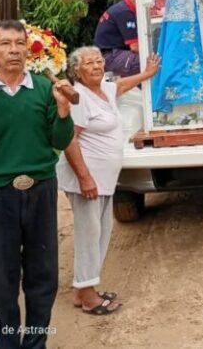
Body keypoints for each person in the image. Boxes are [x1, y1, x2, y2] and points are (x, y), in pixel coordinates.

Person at [0, 19, 75, 349]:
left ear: (28, 48)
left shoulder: (42, 88)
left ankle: (35, 344)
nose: (13, 50)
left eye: (19, 43)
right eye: (5, 44)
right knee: (4, 280)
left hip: (40, 188)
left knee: (43, 275)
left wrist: (63, 111)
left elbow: (59, 139)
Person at [57, 47, 160, 315]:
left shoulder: (104, 88)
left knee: (100, 233)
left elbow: (121, 86)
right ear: (76, 71)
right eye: (88, 63)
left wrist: (147, 73)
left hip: (102, 179)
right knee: (90, 236)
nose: (96, 66)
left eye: (98, 61)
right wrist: (85, 178)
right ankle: (89, 296)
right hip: (87, 179)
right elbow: (70, 140)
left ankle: (83, 290)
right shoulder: (79, 98)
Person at [94, 0, 140, 77]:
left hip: (111, 54)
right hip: (110, 56)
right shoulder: (125, 12)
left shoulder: (122, 8)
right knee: (150, 62)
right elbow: (135, 47)